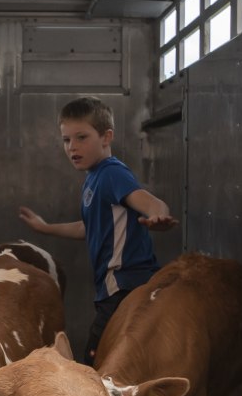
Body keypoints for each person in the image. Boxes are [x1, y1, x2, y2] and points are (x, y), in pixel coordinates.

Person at [18, 96, 175, 363]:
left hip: (126, 287)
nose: (72, 147)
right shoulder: (94, 177)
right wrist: (44, 228)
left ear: (106, 137)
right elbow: (88, 227)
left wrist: (158, 217)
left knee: (95, 365)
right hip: (113, 289)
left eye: (82, 137)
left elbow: (152, 203)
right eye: (67, 140)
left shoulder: (112, 173)